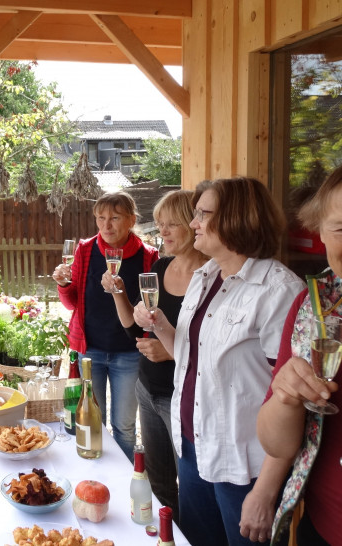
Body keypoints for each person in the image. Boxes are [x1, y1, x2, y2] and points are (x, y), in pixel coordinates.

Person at [134, 177, 305, 546]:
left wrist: (263, 493)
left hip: (245, 468)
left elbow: (294, 399)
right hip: (195, 448)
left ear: (237, 219)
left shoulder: (279, 291)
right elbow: (189, 358)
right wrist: (161, 324)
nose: (194, 223)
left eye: (203, 214)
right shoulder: (205, 276)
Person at [101, 190, 206, 518]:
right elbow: (134, 328)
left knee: (192, 488)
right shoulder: (160, 267)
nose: (163, 231)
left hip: (183, 400)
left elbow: (215, 349)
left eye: (172, 224)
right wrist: (118, 294)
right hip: (148, 390)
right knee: (160, 485)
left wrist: (173, 352)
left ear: (193, 224)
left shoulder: (212, 277)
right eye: (161, 224)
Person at [257, 164, 342, 546]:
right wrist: (287, 396)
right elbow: (276, 443)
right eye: (341, 227)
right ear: (320, 233)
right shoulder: (312, 309)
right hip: (324, 527)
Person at [53, 191, 159, 461]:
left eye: (114, 218)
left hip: (129, 354)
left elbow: (153, 307)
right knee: (90, 423)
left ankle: (124, 484)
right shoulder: (86, 250)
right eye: (100, 218)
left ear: (131, 220)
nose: (106, 225)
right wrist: (64, 284)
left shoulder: (149, 256)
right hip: (90, 353)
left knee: (123, 427)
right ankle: (92, 479)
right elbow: (71, 302)